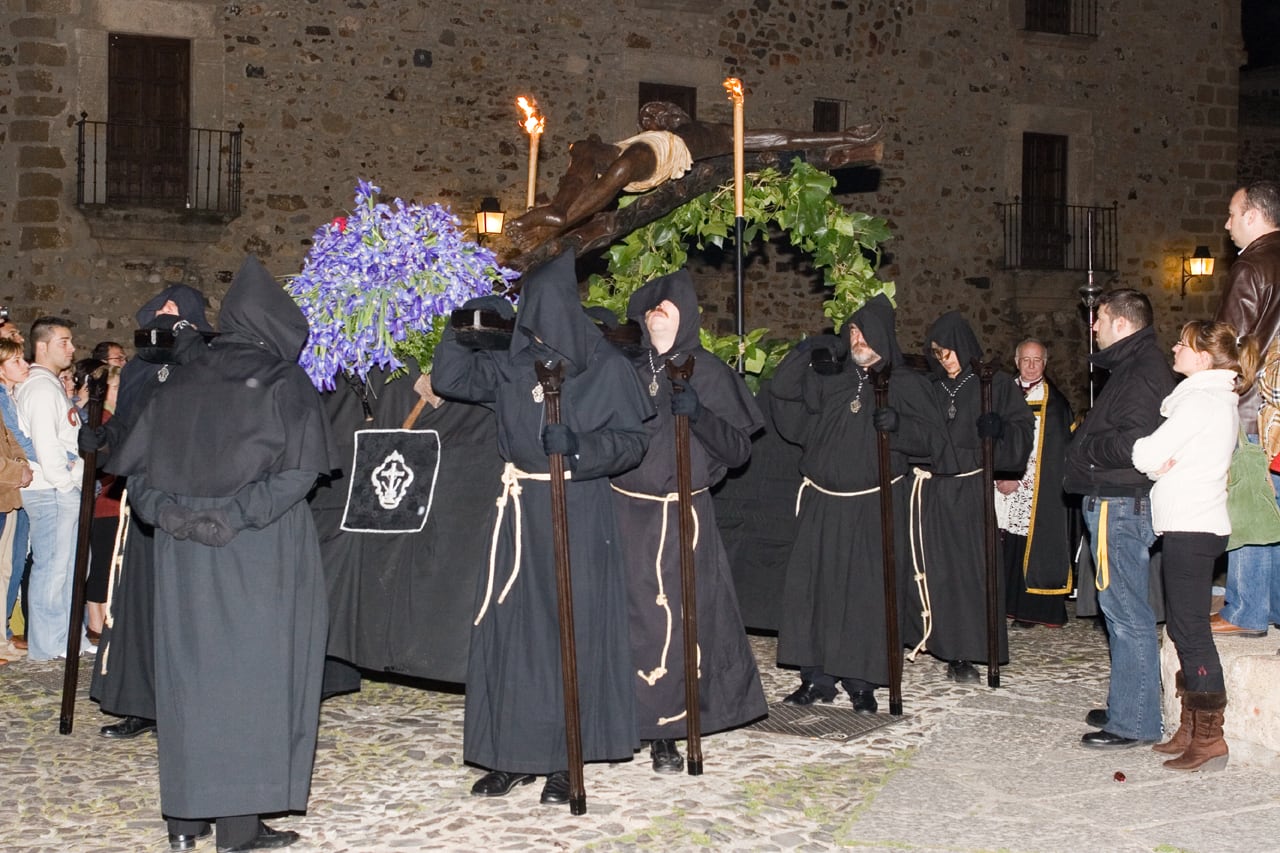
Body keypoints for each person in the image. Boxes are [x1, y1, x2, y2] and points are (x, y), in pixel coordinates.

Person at [109, 256, 337, 852]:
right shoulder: (285, 382)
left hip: (183, 554)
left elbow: (137, 479)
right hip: (259, 550)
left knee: (191, 676)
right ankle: (237, 828)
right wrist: (233, 516)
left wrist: (176, 517)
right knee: (255, 677)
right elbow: (300, 475)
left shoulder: (180, 378)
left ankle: (185, 822)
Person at [432, 250, 652, 805]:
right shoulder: (513, 359)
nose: (535, 325)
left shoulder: (604, 365)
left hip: (575, 510)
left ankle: (563, 759)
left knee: (565, 634)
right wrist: (462, 325)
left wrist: (580, 450)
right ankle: (511, 754)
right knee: (512, 634)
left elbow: (632, 441)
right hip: (519, 510)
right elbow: (450, 377)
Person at [611, 270, 767, 773]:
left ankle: (671, 730)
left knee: (680, 626)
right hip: (625, 516)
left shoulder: (712, 373)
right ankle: (623, 719)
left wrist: (699, 415)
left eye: (667, 307)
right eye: (651, 306)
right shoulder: (622, 369)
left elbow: (738, 451)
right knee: (631, 625)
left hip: (684, 517)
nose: (657, 312)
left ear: (686, 317)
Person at [771, 295, 952, 710]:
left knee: (865, 595)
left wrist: (900, 427)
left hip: (875, 505)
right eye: (851, 330)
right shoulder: (831, 378)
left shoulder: (905, 384)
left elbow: (936, 444)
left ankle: (861, 681)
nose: (856, 338)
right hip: (822, 501)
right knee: (815, 591)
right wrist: (805, 351)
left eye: (864, 330)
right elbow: (782, 396)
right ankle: (815, 678)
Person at [89, 285, 215, 740]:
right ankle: (141, 702)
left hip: (191, 498)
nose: (165, 317)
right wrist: (102, 441)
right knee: (140, 603)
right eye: (160, 309)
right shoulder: (141, 367)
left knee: (187, 603)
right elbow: (126, 424)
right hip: (144, 498)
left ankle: (192, 703)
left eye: (176, 312)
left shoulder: (208, 365)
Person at [1131, 320, 1258, 771]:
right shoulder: (1210, 399)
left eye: (1182, 344)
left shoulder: (1199, 402)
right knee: (1183, 628)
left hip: (1193, 525)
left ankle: (1210, 737)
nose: (1174, 348)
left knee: (1191, 632)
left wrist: (1158, 462)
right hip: (1193, 524)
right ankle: (1190, 725)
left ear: (1203, 358)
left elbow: (1144, 454)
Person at [508, 101, 879, 248]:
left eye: (660, 112)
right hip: (624, 150)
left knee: (622, 167)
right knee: (584, 147)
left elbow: (783, 137)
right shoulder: (639, 132)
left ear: (678, 116)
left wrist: (843, 135)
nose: (651, 116)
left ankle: (558, 216)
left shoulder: (710, 132)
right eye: (647, 115)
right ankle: (557, 211)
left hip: (657, 157)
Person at [1065, 288, 1176, 749]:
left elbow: (1134, 441)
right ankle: (1126, 703)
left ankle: (1134, 721)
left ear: (1123, 324)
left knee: (1127, 612)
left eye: (1101, 319)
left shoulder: (1143, 371)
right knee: (1121, 611)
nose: (1094, 327)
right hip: (1115, 501)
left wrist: (1085, 449)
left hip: (1119, 503)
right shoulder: (1135, 366)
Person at [916, 312, 1032, 682]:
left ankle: (975, 647)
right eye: (937, 353)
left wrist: (997, 434)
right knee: (938, 571)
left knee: (974, 570)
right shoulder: (929, 387)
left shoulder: (992, 384)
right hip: (935, 490)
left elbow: (1021, 428)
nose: (943, 360)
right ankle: (946, 646)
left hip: (972, 491)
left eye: (949, 352)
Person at [1213, 179, 1280, 637]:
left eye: (1233, 215)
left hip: (1253, 411)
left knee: (1250, 503)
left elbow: (1229, 347)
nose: (1227, 224)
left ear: (1254, 216)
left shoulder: (1251, 266)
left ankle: (1247, 610)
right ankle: (1271, 605)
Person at [15, 317, 83, 661]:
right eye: (64, 342)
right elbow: (46, 445)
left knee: (67, 567)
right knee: (54, 568)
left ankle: (69, 638)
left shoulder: (50, 385)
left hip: (61, 489)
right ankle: (48, 646)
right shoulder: (41, 389)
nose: (71, 349)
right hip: (53, 491)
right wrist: (67, 483)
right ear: (42, 346)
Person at [995, 339, 1074, 628]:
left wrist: (1018, 478)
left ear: (1045, 363)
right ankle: (998, 605)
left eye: (1037, 360)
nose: (1030, 366)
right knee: (999, 543)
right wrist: (999, 473)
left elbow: (1054, 453)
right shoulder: (999, 392)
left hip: (1032, 487)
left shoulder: (1054, 403)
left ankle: (1029, 609)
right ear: (1016, 361)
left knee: (1025, 543)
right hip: (997, 482)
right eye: (1025, 359)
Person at [0, 336, 35, 656]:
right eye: (16, 361)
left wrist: (22, 464)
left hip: (10, 492)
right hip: (5, 489)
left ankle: (3, 632)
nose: (25, 365)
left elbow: (15, 444)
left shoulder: (10, 397)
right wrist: (19, 470)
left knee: (8, 565)